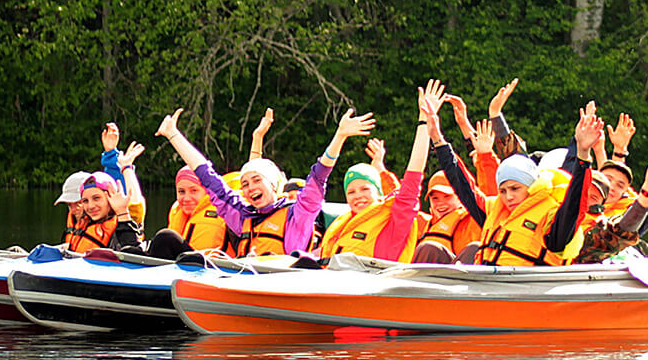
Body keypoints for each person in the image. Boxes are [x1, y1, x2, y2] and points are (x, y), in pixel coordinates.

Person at [157, 106, 375, 258]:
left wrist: (340, 136)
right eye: (245, 184)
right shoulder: (241, 214)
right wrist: (173, 135)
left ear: (273, 185)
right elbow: (206, 175)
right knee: (166, 237)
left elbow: (319, 175)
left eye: (256, 181)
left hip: (280, 281)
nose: (250, 188)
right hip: (245, 278)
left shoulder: (296, 216)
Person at [427, 96, 591, 267]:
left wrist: (583, 153)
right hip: (488, 288)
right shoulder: (495, 211)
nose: (508, 197)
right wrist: (438, 140)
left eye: (515, 188)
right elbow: (462, 184)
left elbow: (575, 202)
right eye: (503, 191)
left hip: (527, 290)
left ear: (532, 187)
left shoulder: (550, 217)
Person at [318, 81, 439, 262]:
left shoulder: (394, 221)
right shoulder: (340, 225)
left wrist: (424, 122)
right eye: (351, 192)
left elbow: (414, 174)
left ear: (379, 192)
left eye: (365, 189)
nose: (358, 195)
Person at [58, 171, 141, 253]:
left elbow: (133, 255)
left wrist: (127, 168)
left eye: (96, 198)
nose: (91, 206)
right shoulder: (83, 223)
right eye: (85, 201)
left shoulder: (125, 221)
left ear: (110, 196)